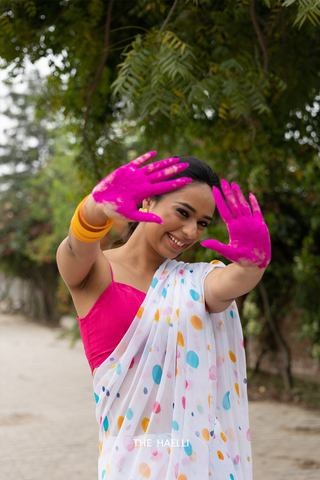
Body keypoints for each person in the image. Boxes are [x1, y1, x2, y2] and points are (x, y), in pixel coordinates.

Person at [56, 151, 271, 480]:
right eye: (183, 213)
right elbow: (74, 248)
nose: (190, 231)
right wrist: (94, 209)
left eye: (202, 223)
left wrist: (253, 265)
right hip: (130, 464)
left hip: (204, 464)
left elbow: (230, 283)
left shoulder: (195, 282)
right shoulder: (97, 273)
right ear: (147, 202)